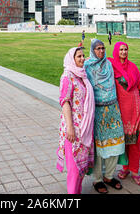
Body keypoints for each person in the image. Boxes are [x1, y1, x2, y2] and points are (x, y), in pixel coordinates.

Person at [84, 39, 125, 194]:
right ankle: (98, 179)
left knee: (116, 142)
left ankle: (109, 176)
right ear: (92, 50)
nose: (101, 51)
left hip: (113, 109)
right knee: (99, 145)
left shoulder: (109, 64)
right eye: (97, 49)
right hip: (97, 112)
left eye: (102, 48)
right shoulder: (87, 66)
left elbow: (122, 68)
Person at [108, 42, 140, 186]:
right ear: (116, 51)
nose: (124, 52)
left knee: (136, 142)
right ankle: (125, 167)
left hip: (135, 110)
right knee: (123, 141)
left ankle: (135, 171)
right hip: (120, 111)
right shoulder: (111, 65)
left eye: (126, 49)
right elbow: (95, 61)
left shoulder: (133, 67)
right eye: (121, 49)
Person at [56, 47, 95, 194]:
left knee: (81, 169)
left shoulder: (82, 76)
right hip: (73, 128)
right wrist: (70, 128)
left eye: (83, 56)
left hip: (84, 128)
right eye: (79, 56)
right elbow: (65, 102)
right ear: (72, 59)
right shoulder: (67, 76)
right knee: (73, 170)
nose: (82, 59)